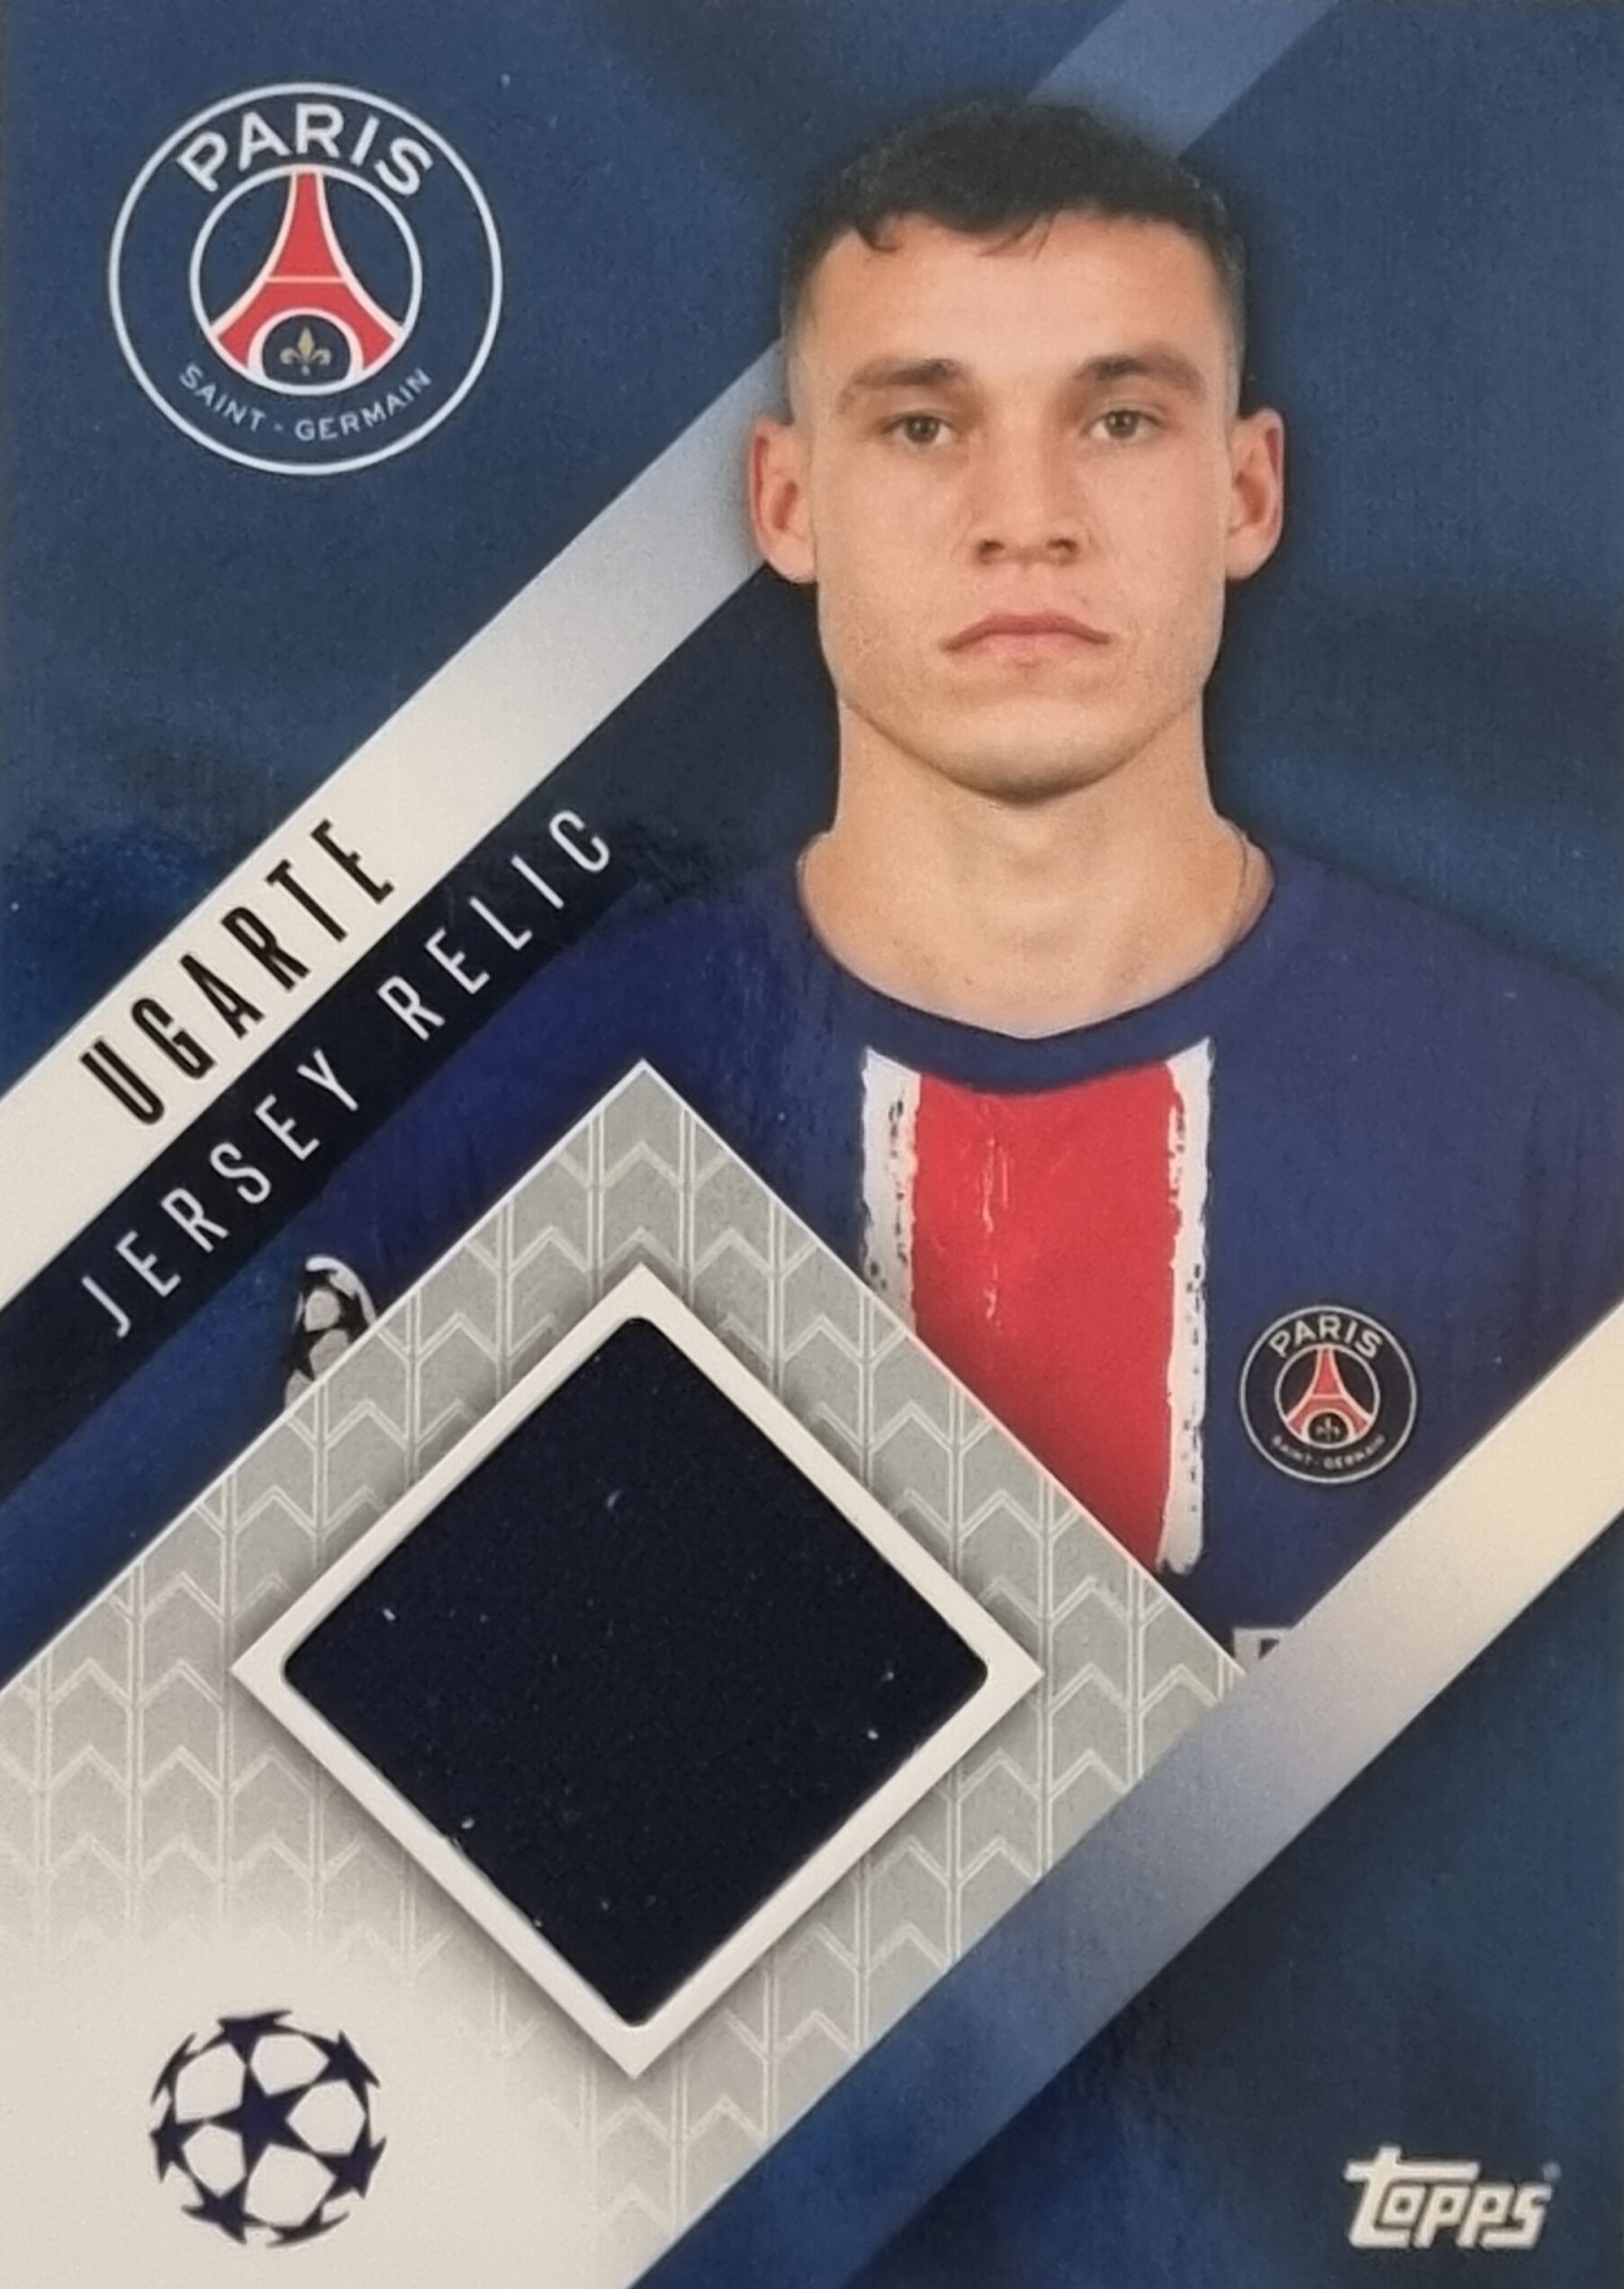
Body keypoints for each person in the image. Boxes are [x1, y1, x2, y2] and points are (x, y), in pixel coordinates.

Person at [280, 99, 1621, 1662]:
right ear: (787, 503)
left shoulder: (1559, 1121)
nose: (1026, 522)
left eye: (1121, 420)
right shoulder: (524, 1125)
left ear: (1247, 492)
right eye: (924, 425)